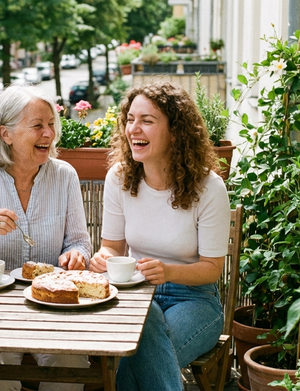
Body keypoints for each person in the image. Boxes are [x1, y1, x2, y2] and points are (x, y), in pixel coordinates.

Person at [0, 85, 92, 391]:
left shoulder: (64, 176)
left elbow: (79, 242)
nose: (48, 134)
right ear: (6, 134)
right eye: (37, 126)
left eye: (51, 124)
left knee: (71, 366)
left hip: (52, 309)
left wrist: (76, 255)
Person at [88, 81, 230, 390]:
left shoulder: (209, 188)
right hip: (138, 296)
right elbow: (111, 247)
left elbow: (212, 268)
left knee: (135, 360)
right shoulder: (120, 178)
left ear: (176, 131)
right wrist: (104, 259)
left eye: (147, 121)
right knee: (146, 316)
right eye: (130, 120)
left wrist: (167, 272)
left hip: (195, 300)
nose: (133, 129)